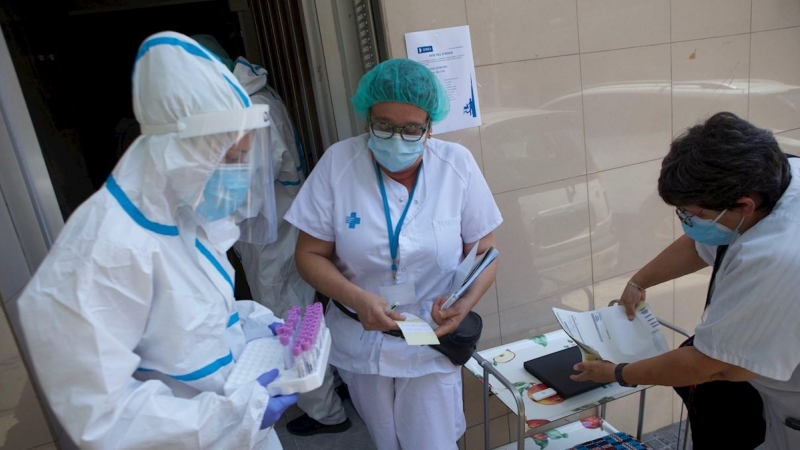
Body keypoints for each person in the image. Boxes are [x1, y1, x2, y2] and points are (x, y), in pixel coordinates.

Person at [17, 31, 297, 450]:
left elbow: (189, 317)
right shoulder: (101, 251)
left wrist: (257, 324)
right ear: (181, 148)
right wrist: (232, 416)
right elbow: (104, 419)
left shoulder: (184, 216)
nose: (241, 173)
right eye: (232, 158)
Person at [284, 58, 503, 450]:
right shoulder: (338, 163)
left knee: (433, 442)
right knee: (386, 442)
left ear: (429, 127)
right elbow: (309, 254)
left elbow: (484, 253)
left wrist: (464, 304)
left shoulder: (456, 165)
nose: (396, 138)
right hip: (361, 333)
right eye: (383, 125)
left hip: (432, 338)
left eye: (411, 129)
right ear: (367, 119)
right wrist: (357, 298)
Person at [571, 112, 800, 450]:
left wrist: (618, 373)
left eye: (696, 215)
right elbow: (703, 242)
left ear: (744, 205)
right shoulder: (779, 175)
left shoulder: (776, 258)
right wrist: (639, 280)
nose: (689, 222)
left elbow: (708, 366)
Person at [191, 35, 351, 435]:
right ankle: (330, 393)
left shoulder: (253, 110)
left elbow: (247, 192)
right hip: (270, 229)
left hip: (274, 234)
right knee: (297, 316)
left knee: (291, 323)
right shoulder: (250, 98)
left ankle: (326, 413)